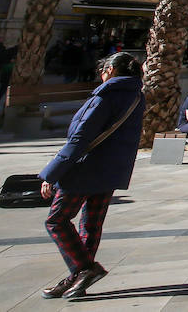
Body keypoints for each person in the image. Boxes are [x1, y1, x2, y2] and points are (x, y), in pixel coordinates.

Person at [38, 52, 146, 299]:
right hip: (111, 169)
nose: (102, 74)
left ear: (111, 70)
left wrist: (51, 174)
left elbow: (79, 139)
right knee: (91, 224)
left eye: (104, 69)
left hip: (85, 169)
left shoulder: (105, 97)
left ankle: (86, 268)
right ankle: (78, 279)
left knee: (56, 220)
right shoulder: (136, 96)